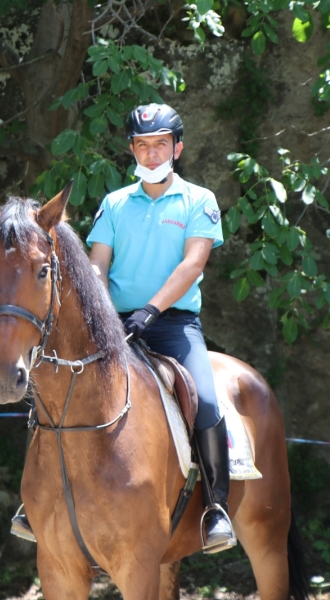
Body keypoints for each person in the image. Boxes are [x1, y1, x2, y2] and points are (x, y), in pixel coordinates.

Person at [85, 103, 235, 554]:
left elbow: (193, 264)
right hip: (114, 325)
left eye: (161, 146)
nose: (152, 155)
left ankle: (216, 509)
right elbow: (96, 266)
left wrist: (150, 311)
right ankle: (33, 502)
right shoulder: (113, 204)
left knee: (205, 401)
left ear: (178, 148)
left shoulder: (199, 201)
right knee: (57, 387)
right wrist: (103, 313)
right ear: (132, 148)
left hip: (171, 324)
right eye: (143, 146)